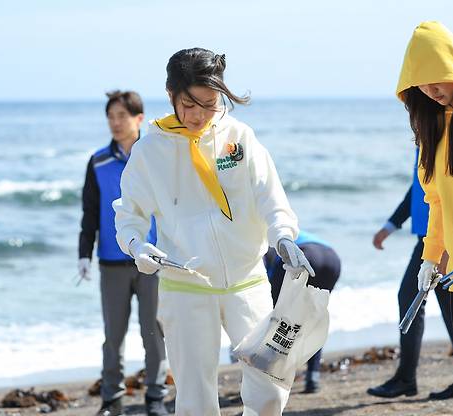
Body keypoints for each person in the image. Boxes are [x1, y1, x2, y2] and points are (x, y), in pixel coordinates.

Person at [113, 47, 315, 416]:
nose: (198, 115)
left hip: (247, 281)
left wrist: (283, 236)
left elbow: (270, 197)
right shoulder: (149, 150)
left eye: (209, 103)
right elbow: (129, 215)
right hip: (185, 286)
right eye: (188, 104)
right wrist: (136, 245)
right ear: (170, 93)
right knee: (195, 401)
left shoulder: (239, 136)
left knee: (270, 389)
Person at [78, 90, 168, 416]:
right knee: (112, 336)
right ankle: (111, 399)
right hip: (112, 262)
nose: (115, 123)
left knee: (153, 332)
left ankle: (156, 397)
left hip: (153, 260)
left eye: (122, 116)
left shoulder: (156, 155)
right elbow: (90, 211)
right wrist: (83, 254)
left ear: (139, 119)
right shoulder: (98, 161)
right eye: (111, 117)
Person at [395, 21, 453, 400]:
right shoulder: (433, 134)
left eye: (438, 81)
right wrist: (430, 260)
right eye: (423, 88)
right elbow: (437, 206)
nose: (432, 93)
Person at [367, 163, 453, 398]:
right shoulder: (427, 137)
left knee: (437, 303)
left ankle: (405, 378)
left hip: (442, 239)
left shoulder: (441, 133)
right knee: (418, 300)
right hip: (427, 239)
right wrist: (391, 225)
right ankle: (406, 378)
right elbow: (420, 187)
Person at [264, 230, 341, 394]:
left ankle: (270, 378)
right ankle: (313, 377)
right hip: (332, 258)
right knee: (313, 317)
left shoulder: (264, 243)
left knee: (279, 320)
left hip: (304, 255)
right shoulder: (283, 230)